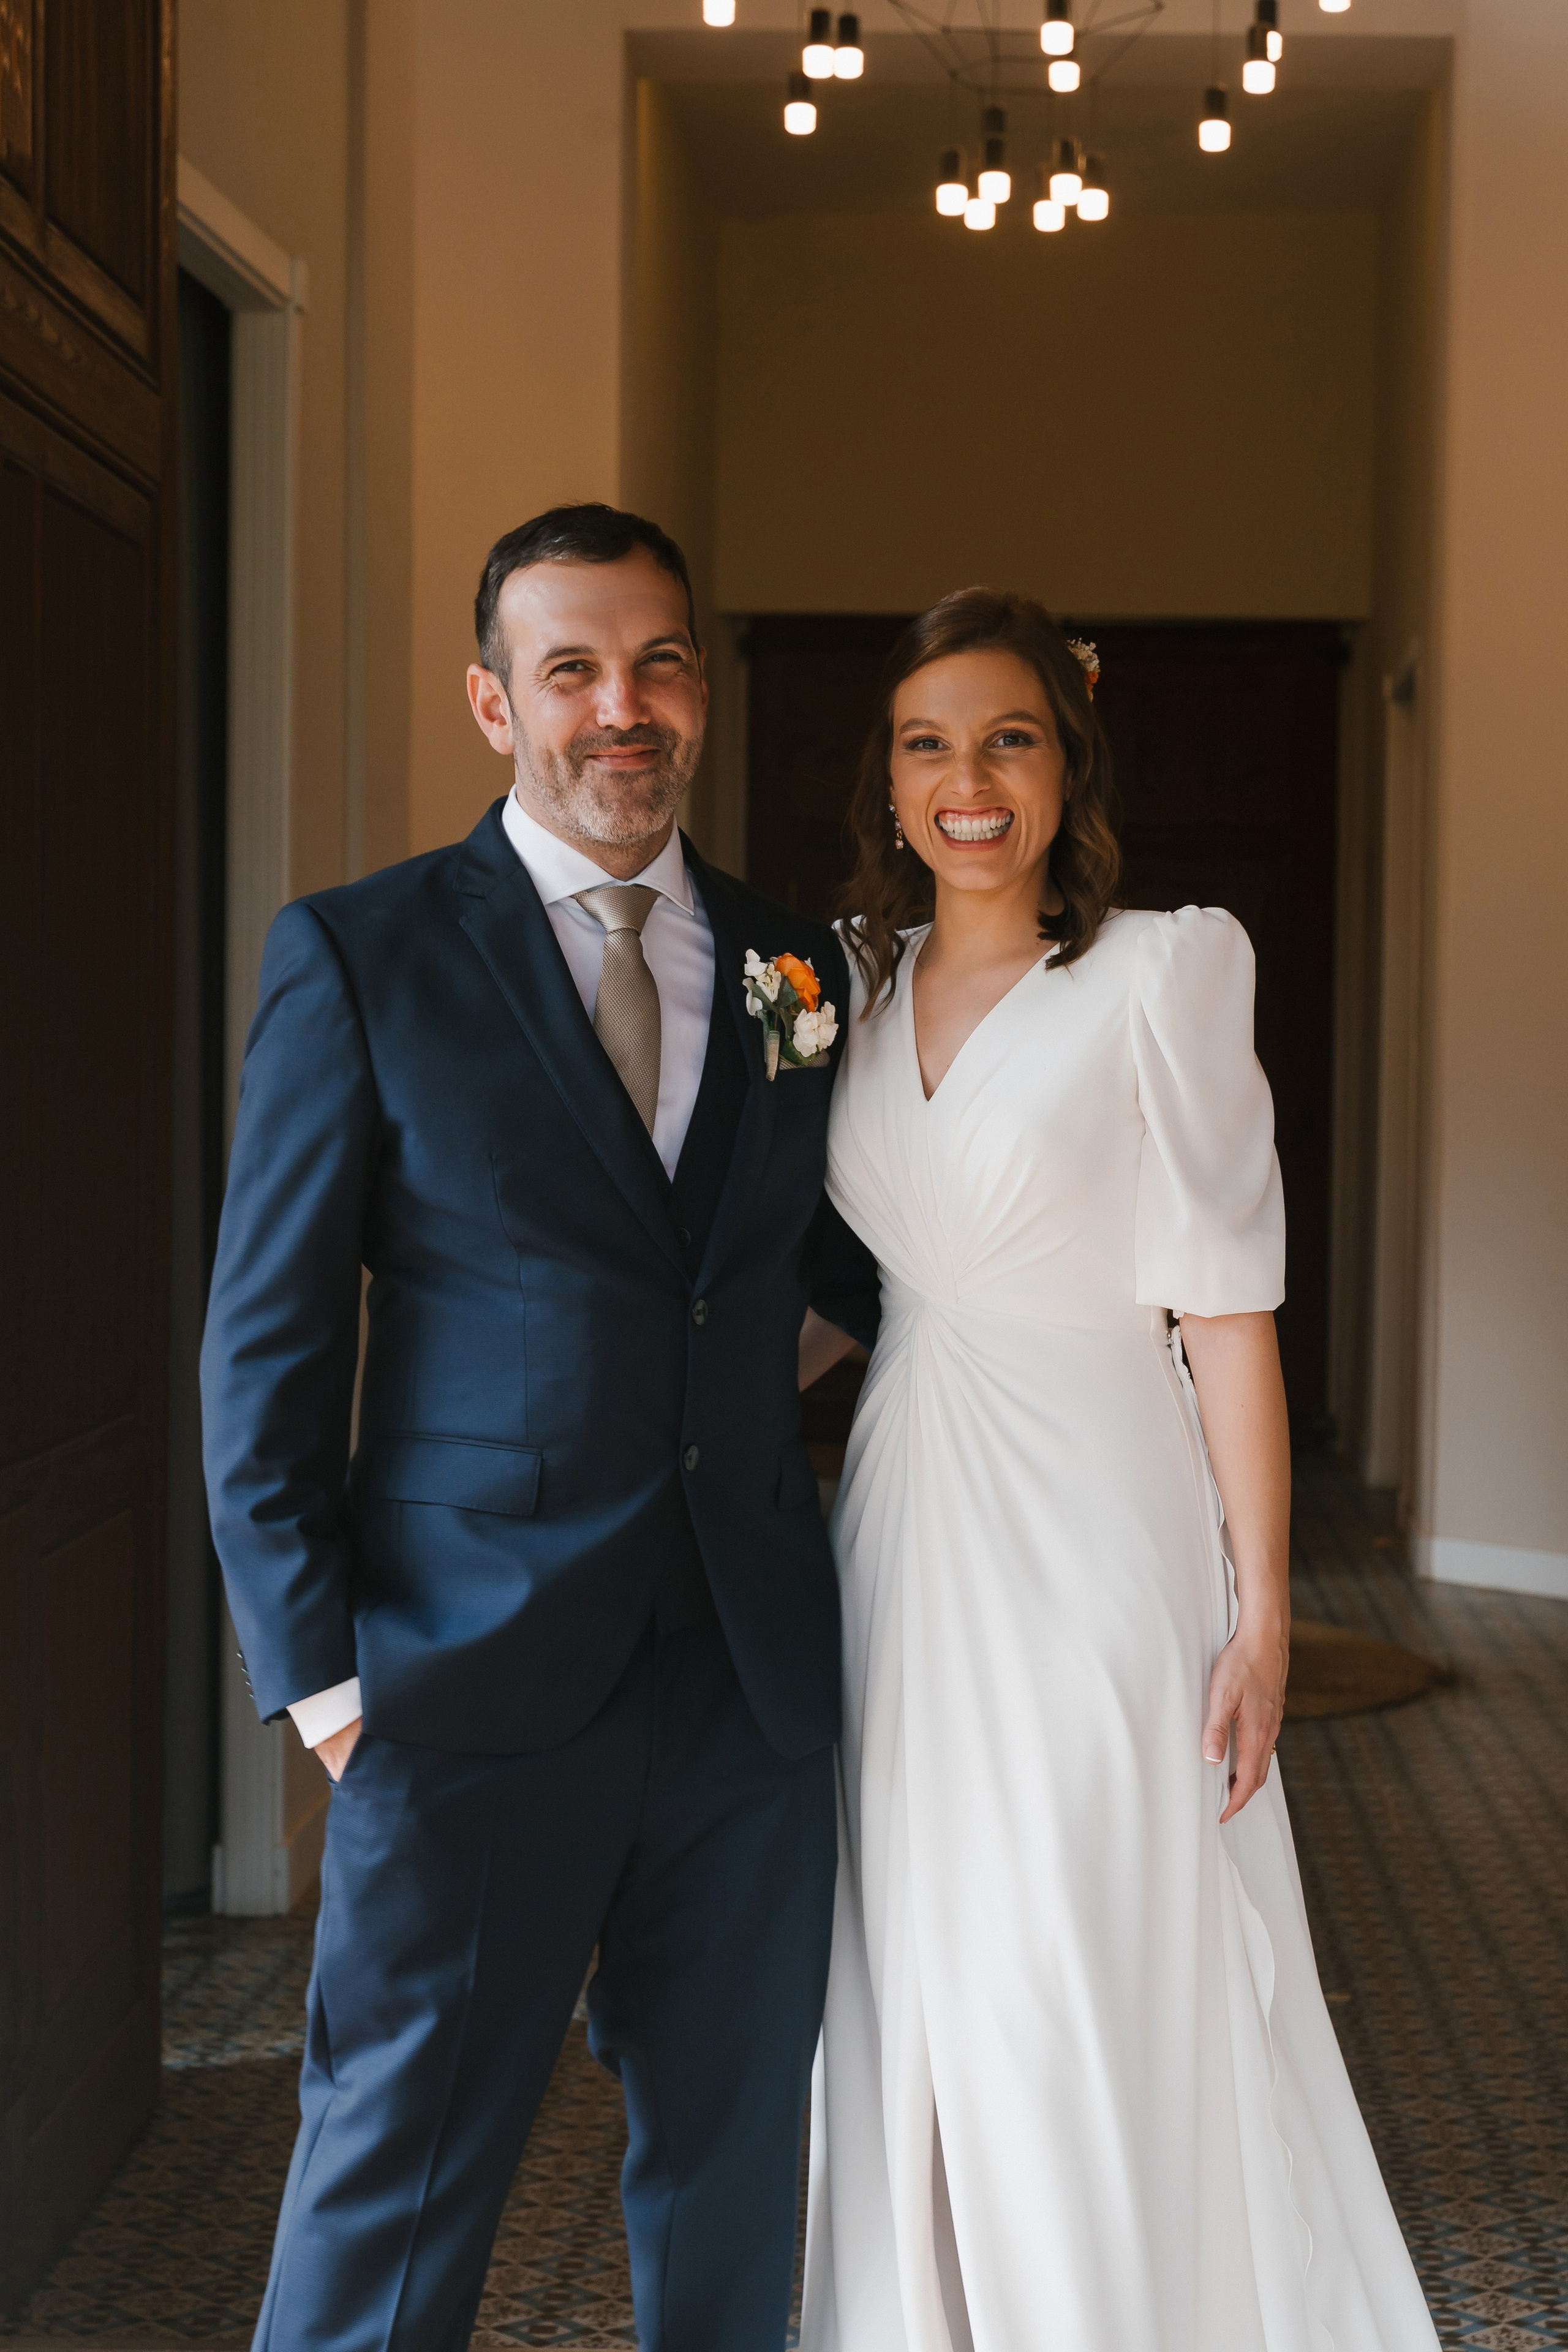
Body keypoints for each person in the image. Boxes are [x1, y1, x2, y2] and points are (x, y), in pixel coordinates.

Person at [201, 503, 878, 2352]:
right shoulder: (360, 957)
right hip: (462, 1687)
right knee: (394, 2192)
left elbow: (833, 1267)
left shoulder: (790, 966)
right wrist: (329, 1687)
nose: (622, 708)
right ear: (494, 704)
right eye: (570, 668)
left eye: (657, 662)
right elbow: (260, 1351)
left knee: (736, 2182)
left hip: (744, 1695)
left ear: (702, 693)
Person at [798, 589, 1441, 2351]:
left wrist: (1261, 1615)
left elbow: (1228, 1316)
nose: (968, 780)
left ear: (1069, 760)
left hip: (1096, 1519)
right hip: (904, 1514)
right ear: (892, 775)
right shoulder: (847, 978)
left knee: (1066, 1951)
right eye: (929, 743)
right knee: (911, 1933)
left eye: (1009, 737)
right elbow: (848, 1288)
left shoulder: (1164, 969)